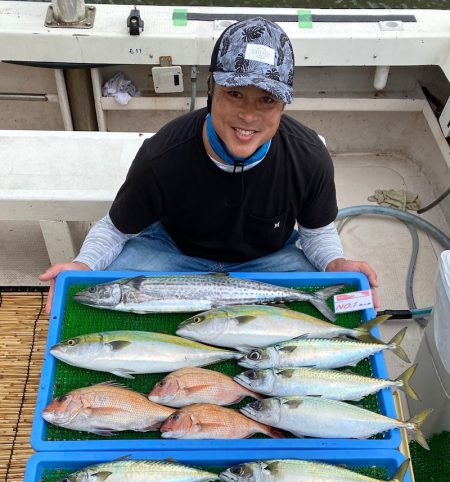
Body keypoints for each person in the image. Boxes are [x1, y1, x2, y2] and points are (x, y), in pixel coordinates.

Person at [40, 17, 378, 314]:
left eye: (266, 100)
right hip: (176, 255)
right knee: (108, 293)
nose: (248, 115)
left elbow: (316, 233)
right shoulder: (162, 155)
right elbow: (116, 228)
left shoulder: (309, 158)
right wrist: (81, 265)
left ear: (283, 106)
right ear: (211, 89)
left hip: (267, 262)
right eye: (234, 94)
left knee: (327, 298)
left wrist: (337, 263)